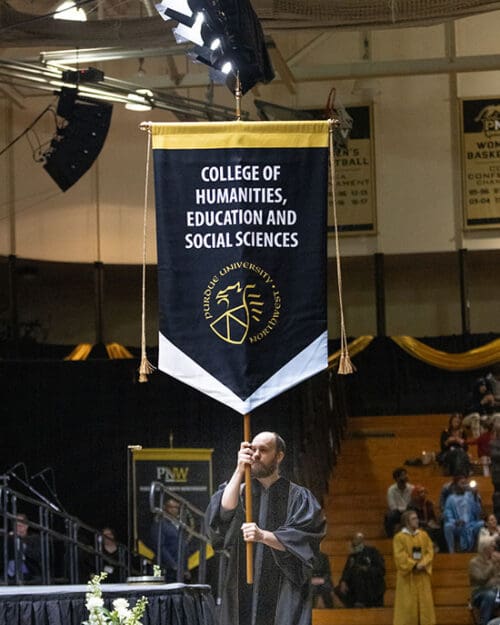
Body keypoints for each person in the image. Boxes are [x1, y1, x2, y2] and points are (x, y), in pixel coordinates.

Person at [205, 431, 326, 625]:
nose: (256, 455)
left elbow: (303, 540)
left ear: (279, 456)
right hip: (239, 584)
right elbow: (221, 515)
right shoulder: (240, 491)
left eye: (263, 450)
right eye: (253, 450)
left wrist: (263, 536)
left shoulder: (298, 497)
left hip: (283, 590)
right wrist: (238, 469)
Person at [393, 510, 435, 625]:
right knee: (408, 610)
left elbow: (429, 551)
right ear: (407, 522)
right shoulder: (399, 537)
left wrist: (423, 563)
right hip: (408, 578)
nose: (417, 520)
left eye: (417, 518)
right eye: (413, 518)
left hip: (422, 576)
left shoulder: (423, 535)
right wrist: (414, 565)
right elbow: (400, 556)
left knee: (425, 609)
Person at [334, 532, 385, 608]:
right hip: (354, 587)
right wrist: (343, 581)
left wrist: (367, 569)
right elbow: (346, 572)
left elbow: (381, 570)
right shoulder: (352, 557)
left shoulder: (372, 552)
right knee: (338, 590)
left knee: (360, 575)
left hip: (370, 583)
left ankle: (362, 602)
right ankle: (354, 605)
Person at [150, 497, 189, 582]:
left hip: (178, 569)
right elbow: (159, 547)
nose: (174, 510)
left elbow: (183, 547)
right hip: (162, 567)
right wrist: (173, 565)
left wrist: (185, 568)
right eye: (171, 507)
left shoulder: (179, 525)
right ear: (165, 507)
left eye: (176, 507)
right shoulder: (159, 524)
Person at [443, 476, 483, 553]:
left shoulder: (470, 496)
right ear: (456, 485)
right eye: (462, 483)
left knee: (481, 524)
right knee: (448, 526)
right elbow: (447, 513)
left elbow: (477, 512)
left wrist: (475, 496)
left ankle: (479, 551)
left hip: (471, 524)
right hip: (458, 525)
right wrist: (455, 521)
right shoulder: (450, 498)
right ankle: (451, 552)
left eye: (465, 483)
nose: (464, 485)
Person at [469, 535, 500, 625]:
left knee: (494, 594)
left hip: (495, 590)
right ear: (485, 548)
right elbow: (481, 579)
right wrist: (491, 565)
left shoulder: (495, 560)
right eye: (492, 546)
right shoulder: (474, 562)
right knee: (490, 595)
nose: (494, 549)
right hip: (479, 592)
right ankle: (483, 622)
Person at [407, 485, 445, 552]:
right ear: (415, 495)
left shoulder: (428, 503)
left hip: (428, 525)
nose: (423, 494)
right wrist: (425, 523)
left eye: (424, 492)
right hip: (416, 526)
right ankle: (420, 554)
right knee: (424, 532)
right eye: (421, 492)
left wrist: (433, 522)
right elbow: (410, 520)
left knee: (440, 531)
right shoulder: (410, 506)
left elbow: (432, 517)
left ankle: (441, 552)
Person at [6, 513, 42, 584]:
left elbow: (37, 557)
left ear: (26, 526)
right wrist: (9, 540)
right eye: (15, 526)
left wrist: (22, 545)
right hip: (9, 574)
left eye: (20, 526)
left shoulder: (34, 538)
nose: (17, 528)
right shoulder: (9, 538)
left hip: (29, 572)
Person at [385, 467, 414, 538]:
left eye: (406, 474)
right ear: (397, 478)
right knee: (389, 516)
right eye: (403, 475)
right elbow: (392, 506)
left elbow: (413, 503)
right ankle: (390, 538)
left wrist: (406, 510)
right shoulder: (391, 490)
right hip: (397, 513)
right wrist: (403, 509)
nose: (406, 476)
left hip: (409, 511)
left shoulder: (412, 488)